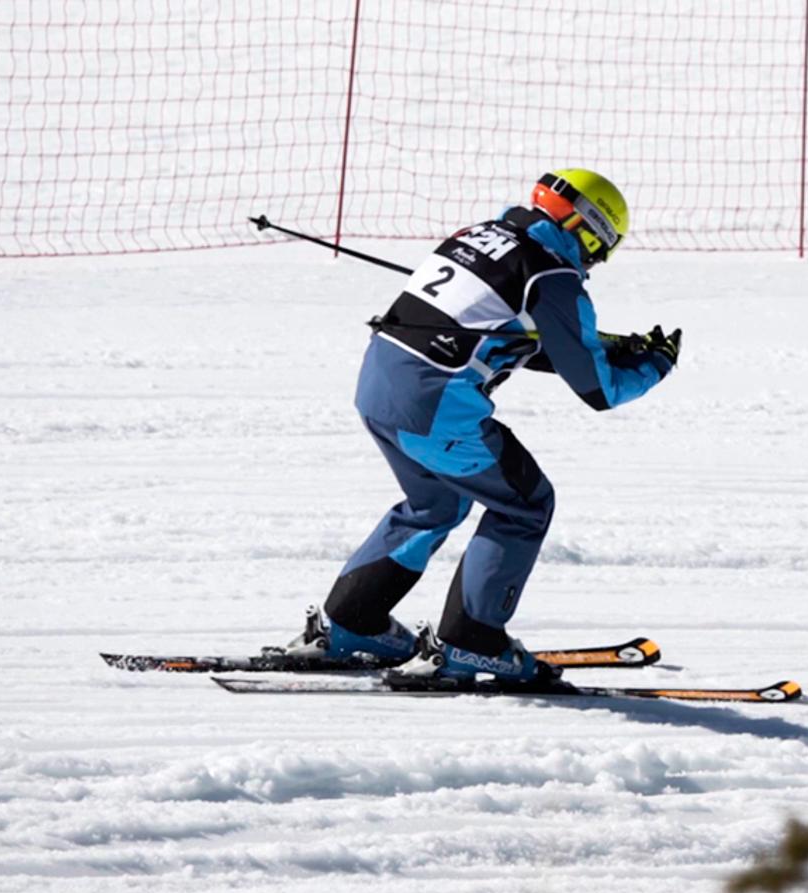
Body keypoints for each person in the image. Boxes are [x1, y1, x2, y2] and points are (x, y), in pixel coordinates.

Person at [282, 168, 679, 682]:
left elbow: (497, 334)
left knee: (435, 504)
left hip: (379, 386)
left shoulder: (478, 237)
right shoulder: (553, 275)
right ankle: (472, 640)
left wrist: (603, 345)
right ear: (586, 229)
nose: (593, 263)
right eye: (599, 250)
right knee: (525, 504)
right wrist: (653, 365)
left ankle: (351, 623)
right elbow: (598, 391)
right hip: (434, 405)